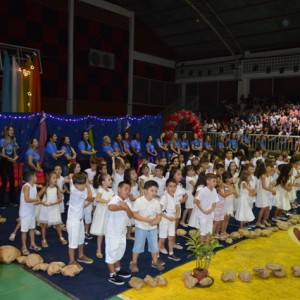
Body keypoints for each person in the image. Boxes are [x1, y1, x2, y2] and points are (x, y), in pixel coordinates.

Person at [129, 180, 164, 273]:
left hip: (152, 228)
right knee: (138, 246)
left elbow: (159, 215)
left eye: (156, 191)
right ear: (145, 191)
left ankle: (155, 261)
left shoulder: (156, 202)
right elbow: (134, 214)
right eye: (152, 190)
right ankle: (134, 263)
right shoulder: (138, 201)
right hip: (141, 228)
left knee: (154, 246)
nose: (154, 193)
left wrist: (156, 221)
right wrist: (146, 220)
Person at [105, 181, 133, 285]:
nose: (127, 191)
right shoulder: (115, 199)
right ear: (118, 189)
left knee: (119, 251)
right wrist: (123, 207)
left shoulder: (127, 202)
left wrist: (126, 207)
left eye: (129, 190)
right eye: (125, 189)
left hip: (121, 232)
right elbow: (111, 207)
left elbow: (130, 215)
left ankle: (118, 269)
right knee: (111, 253)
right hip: (113, 232)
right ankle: (112, 275)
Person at [67, 172, 94, 269]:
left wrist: (73, 177)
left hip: (79, 219)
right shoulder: (78, 192)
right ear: (75, 184)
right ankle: (71, 261)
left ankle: (81, 256)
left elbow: (70, 176)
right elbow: (90, 198)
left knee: (81, 239)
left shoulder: (72, 186)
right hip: (73, 221)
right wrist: (88, 185)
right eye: (80, 184)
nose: (82, 186)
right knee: (73, 242)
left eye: (83, 183)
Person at [37, 171, 68, 248]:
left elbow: (60, 199)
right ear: (49, 179)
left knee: (57, 224)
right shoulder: (45, 188)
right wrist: (41, 202)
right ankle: (43, 239)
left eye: (56, 178)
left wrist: (53, 203)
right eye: (53, 178)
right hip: (45, 208)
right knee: (43, 224)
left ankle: (61, 237)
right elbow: (38, 195)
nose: (55, 180)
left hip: (54, 208)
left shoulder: (57, 188)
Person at [90, 173, 114, 259]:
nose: (111, 181)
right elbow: (97, 198)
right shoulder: (100, 190)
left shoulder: (111, 191)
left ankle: (109, 249)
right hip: (102, 213)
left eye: (111, 179)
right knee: (101, 232)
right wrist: (107, 201)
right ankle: (99, 249)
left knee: (109, 232)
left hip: (109, 213)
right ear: (103, 182)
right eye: (109, 180)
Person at [19, 170, 42, 255]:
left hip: (31, 211)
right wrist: (36, 200)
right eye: (35, 176)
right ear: (32, 178)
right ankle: (24, 246)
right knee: (24, 231)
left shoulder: (34, 186)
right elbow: (27, 199)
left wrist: (39, 201)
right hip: (25, 213)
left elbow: (34, 199)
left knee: (32, 228)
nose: (36, 178)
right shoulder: (26, 186)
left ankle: (32, 244)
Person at [158, 178, 181, 261]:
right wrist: (168, 217)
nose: (173, 188)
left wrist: (175, 216)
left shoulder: (175, 197)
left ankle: (171, 253)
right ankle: (156, 256)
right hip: (165, 219)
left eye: (174, 186)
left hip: (172, 218)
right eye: (170, 186)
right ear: (166, 187)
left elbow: (178, 208)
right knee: (162, 238)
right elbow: (159, 210)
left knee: (171, 236)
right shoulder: (164, 197)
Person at [195, 173, 219, 243]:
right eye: (213, 181)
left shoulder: (214, 190)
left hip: (210, 214)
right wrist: (204, 211)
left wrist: (211, 210)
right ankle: (201, 249)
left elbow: (214, 202)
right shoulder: (203, 190)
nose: (215, 183)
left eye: (215, 181)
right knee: (202, 233)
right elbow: (197, 202)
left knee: (209, 232)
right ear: (207, 181)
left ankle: (207, 248)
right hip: (203, 215)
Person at [0, 126, 19, 207]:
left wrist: (15, 158)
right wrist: (10, 159)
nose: (12, 131)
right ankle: (1, 202)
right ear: (7, 131)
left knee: (12, 181)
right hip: (3, 163)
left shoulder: (13, 141)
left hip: (10, 163)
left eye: (13, 130)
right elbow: (2, 154)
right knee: (4, 182)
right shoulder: (2, 141)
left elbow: (15, 154)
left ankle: (13, 200)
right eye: (11, 130)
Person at [255, 161, 276, 228]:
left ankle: (264, 220)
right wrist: (272, 190)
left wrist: (272, 187)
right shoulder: (263, 176)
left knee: (267, 207)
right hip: (262, 193)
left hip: (266, 193)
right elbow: (264, 186)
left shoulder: (269, 176)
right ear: (265, 168)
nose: (271, 170)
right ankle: (258, 222)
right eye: (269, 168)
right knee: (263, 208)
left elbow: (269, 184)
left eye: (271, 169)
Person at [124, 168, 140, 240]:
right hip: (129, 204)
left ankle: (128, 234)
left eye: (135, 173)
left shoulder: (137, 184)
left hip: (135, 204)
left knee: (132, 221)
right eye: (133, 174)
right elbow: (131, 198)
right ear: (128, 176)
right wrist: (139, 199)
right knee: (129, 221)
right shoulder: (128, 186)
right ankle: (128, 235)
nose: (135, 175)